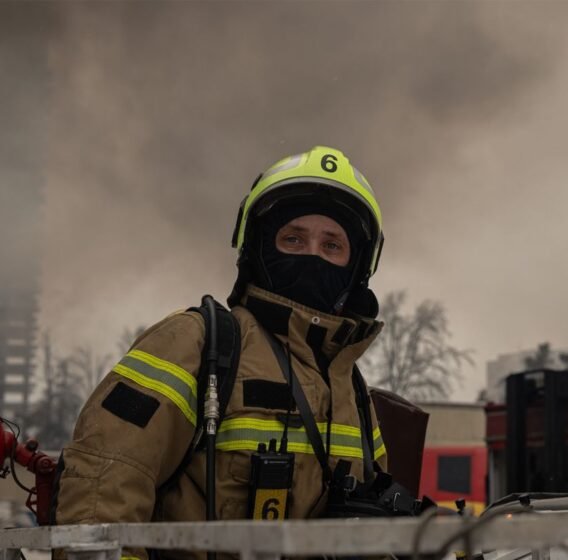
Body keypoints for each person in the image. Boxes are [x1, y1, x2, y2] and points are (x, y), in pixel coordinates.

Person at [53, 146, 389, 559]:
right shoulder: (195, 344)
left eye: (332, 245)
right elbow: (102, 487)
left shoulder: (353, 392)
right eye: (293, 239)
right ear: (258, 248)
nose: (312, 256)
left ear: (357, 268)